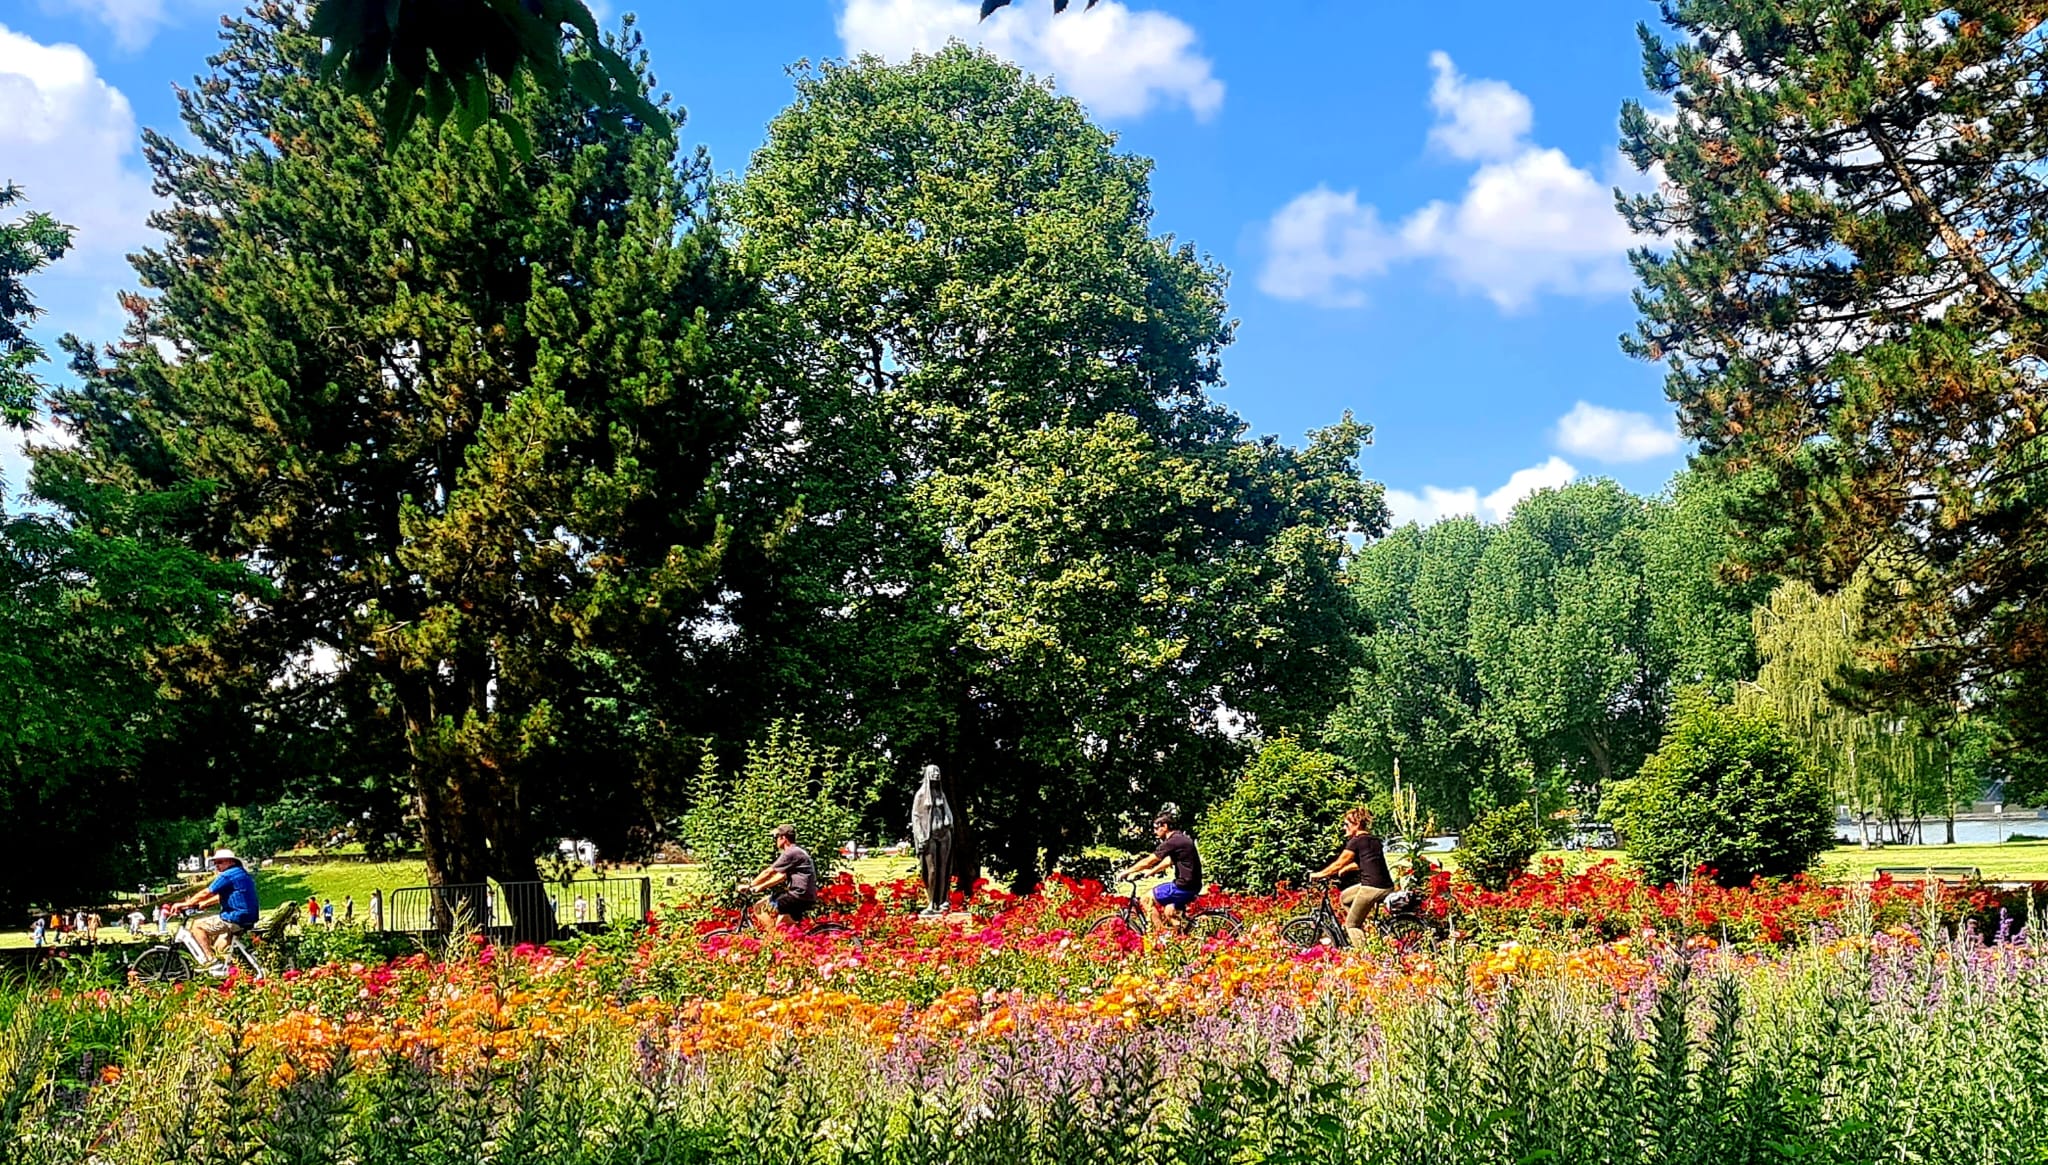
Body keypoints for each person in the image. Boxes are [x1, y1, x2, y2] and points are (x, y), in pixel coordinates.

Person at [165, 849, 260, 975]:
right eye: (215, 863)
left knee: (197, 926)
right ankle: (227, 973)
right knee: (219, 947)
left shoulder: (227, 875)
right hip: (248, 917)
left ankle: (211, 962)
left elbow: (207, 892)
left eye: (220, 862)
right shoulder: (242, 874)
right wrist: (203, 904)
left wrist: (186, 904)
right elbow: (224, 896)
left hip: (235, 917)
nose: (217, 866)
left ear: (231, 862)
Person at [1311, 806, 1397, 946]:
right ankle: (1362, 926)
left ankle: (1364, 956)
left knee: (1351, 924)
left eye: (1346, 824)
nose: (1344, 827)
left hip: (1371, 888)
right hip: (1385, 886)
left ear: (1356, 824)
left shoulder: (1356, 841)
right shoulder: (1374, 840)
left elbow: (1338, 863)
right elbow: (1367, 862)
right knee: (1345, 897)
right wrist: (1347, 868)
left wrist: (1319, 875)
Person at [1124, 812, 1201, 933]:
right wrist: (1151, 872)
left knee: (1145, 899)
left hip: (1183, 886)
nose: (1154, 832)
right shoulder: (1181, 838)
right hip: (1193, 886)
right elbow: (1169, 861)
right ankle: (1180, 939)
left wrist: (1127, 871)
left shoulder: (1172, 842)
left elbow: (1149, 861)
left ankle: (1161, 936)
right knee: (1169, 911)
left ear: (1164, 826)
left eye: (1156, 828)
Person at [739, 823, 817, 930]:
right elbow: (780, 876)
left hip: (798, 895)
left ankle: (771, 938)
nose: (775, 840)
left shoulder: (791, 853)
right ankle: (783, 939)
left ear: (783, 838)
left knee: (760, 907)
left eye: (776, 837)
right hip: (804, 895)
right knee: (782, 927)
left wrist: (749, 885)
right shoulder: (797, 851)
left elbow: (769, 872)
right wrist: (760, 887)